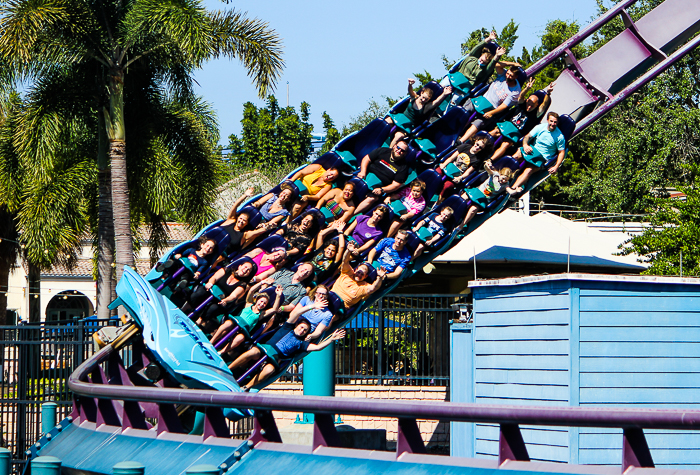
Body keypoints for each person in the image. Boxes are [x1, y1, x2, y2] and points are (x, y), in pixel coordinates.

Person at [228, 313, 346, 390]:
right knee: (253, 353)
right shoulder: (287, 328)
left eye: (305, 330)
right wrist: (310, 307)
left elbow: (317, 348)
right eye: (301, 327)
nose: (302, 330)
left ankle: (246, 387)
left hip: (275, 357)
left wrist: (331, 338)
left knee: (269, 370)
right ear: (296, 325)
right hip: (265, 349)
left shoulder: (301, 343)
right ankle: (229, 369)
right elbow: (296, 313)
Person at [488, 80, 555, 161]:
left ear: (537, 105)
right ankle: (477, 145)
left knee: (505, 144)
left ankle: (490, 160)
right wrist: (527, 88)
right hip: (507, 125)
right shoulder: (522, 104)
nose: (529, 107)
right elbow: (521, 96)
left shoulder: (537, 113)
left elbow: (544, 105)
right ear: (527, 101)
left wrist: (548, 93)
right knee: (494, 132)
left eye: (532, 106)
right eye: (529, 104)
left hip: (517, 133)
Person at [458, 64, 523, 144]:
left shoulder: (515, 91)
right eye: (508, 73)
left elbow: (504, 106)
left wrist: (491, 113)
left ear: (516, 77)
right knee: (466, 110)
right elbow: (497, 64)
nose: (508, 76)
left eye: (511, 76)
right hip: (482, 100)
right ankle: (455, 132)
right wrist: (511, 64)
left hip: (492, 108)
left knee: (478, 123)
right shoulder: (503, 75)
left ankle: (461, 141)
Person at [183, 259, 257, 329]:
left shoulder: (242, 285)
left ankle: (197, 322)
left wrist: (225, 300)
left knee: (213, 308)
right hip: (210, 290)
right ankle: (183, 309)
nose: (245, 270)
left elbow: (233, 296)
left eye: (248, 271)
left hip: (220, 299)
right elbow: (214, 278)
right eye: (245, 267)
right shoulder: (227, 270)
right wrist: (210, 283)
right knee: (199, 293)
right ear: (240, 266)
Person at [212, 285, 283, 354]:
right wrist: (261, 282)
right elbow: (251, 290)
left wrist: (278, 296)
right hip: (235, 322)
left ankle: (221, 352)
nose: (262, 304)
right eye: (261, 301)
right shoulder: (249, 304)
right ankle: (212, 341)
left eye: (264, 303)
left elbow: (274, 309)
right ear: (257, 299)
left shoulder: (262, 314)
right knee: (228, 324)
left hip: (243, 331)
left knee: (240, 338)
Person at [510, 112, 566, 193]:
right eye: (551, 121)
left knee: (528, 170)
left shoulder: (559, 137)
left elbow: (561, 152)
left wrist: (556, 166)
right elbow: (527, 137)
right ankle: (502, 174)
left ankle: (513, 189)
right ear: (547, 120)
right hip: (532, 150)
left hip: (542, 158)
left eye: (555, 122)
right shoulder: (540, 127)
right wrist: (525, 145)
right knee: (516, 156)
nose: (553, 124)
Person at [354, 140, 413, 215]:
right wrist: (363, 172)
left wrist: (382, 190)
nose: (399, 151)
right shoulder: (383, 151)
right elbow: (367, 159)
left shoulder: (403, 167)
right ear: (394, 146)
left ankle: (352, 215)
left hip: (379, 186)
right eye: (398, 148)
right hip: (366, 176)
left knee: (372, 198)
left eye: (402, 150)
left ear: (405, 153)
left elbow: (396, 185)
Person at [460, 162, 517, 228]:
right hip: (477, 191)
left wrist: (516, 191)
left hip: (484, 198)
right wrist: (487, 165)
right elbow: (487, 169)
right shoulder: (494, 175)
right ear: (500, 174)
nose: (503, 181)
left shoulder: (505, 185)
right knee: (463, 197)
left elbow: (510, 191)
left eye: (506, 180)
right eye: (503, 178)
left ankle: (461, 225)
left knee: (473, 209)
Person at [331, 242, 387, 309]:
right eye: (359, 272)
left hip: (339, 308)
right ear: (356, 270)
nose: (359, 275)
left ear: (365, 276)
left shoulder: (364, 286)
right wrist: (348, 251)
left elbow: (374, 288)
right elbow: (345, 261)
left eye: (362, 274)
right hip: (329, 297)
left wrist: (379, 278)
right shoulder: (348, 273)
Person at [436, 135, 494, 200]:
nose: (477, 147)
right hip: (450, 168)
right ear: (476, 141)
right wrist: (444, 164)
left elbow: (468, 172)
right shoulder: (465, 147)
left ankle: (438, 202)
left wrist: (460, 178)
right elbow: (451, 158)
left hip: (457, 174)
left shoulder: (477, 159)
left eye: (480, 147)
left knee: (448, 186)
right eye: (477, 144)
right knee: (436, 173)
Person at [386, 80, 453, 129]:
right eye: (423, 97)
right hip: (401, 117)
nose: (423, 100)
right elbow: (410, 91)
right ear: (421, 93)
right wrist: (410, 84)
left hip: (409, 124)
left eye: (426, 99)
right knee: (386, 122)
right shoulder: (414, 97)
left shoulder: (426, 106)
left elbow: (436, 102)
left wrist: (444, 94)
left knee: (398, 136)